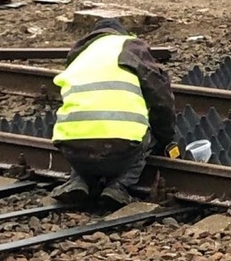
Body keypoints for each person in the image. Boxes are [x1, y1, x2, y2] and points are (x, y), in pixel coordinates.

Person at [51, 18, 176, 207]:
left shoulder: (78, 55)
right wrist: (167, 137)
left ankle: (78, 180)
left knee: (84, 127)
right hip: (122, 151)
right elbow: (160, 99)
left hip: (72, 150)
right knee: (151, 133)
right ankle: (119, 186)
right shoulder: (129, 47)